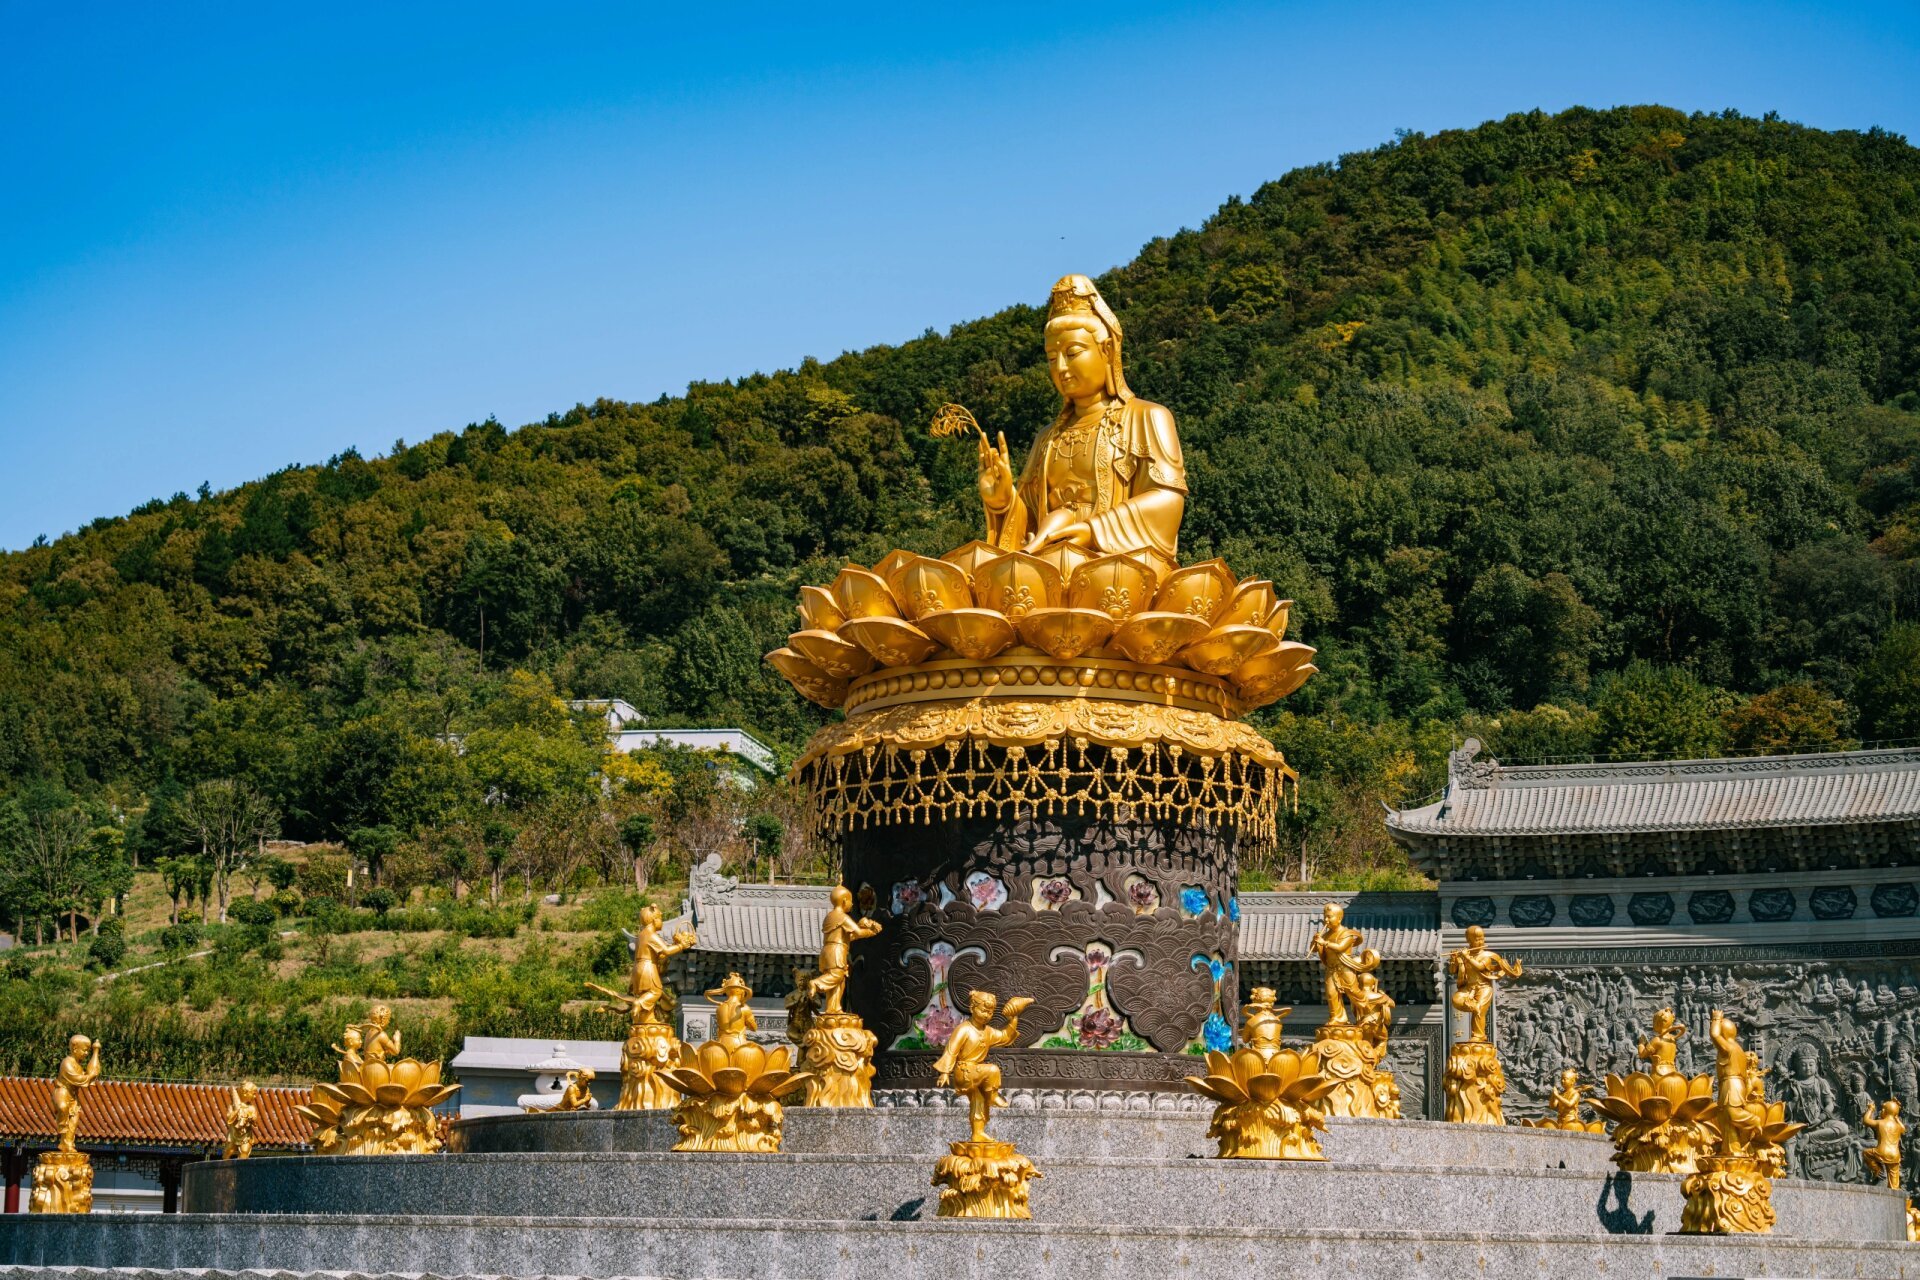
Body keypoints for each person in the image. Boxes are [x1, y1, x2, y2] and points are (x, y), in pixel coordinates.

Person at [975, 275, 1187, 559]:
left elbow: (1168, 504)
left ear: (1107, 351)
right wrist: (1003, 502)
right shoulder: (1047, 437)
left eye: (1073, 352)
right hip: (1048, 562)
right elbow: (1028, 530)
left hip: (1116, 566)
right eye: (1052, 358)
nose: (1061, 367)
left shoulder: (1147, 417)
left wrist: (1093, 531)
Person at [933, 990, 1032, 1143]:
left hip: (977, 1074)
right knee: (992, 1070)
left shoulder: (988, 1031)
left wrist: (1013, 1018)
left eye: (991, 1012)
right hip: (964, 1071)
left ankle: (977, 1133)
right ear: (972, 1008)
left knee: (978, 1101)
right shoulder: (964, 1029)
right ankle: (992, 1096)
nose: (987, 1015)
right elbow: (951, 1051)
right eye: (984, 1010)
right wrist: (945, 1072)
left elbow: (1005, 1037)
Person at [805, 886, 883, 1016]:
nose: (852, 904)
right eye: (851, 901)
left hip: (827, 951)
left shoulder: (829, 917)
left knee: (839, 982)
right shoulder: (842, 917)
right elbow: (858, 932)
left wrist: (867, 930)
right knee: (836, 976)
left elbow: (850, 936)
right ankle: (816, 984)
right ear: (844, 901)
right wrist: (872, 931)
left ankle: (833, 1009)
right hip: (836, 951)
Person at [1447, 925, 1522, 1044]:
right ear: (1469, 940)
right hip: (1469, 987)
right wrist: (1454, 959)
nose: (1481, 941)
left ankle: (1478, 1036)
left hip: (1483, 988)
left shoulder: (1486, 956)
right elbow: (1452, 971)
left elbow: (1480, 967)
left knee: (1479, 1010)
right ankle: (1475, 1008)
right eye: (1477, 939)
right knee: (1456, 1000)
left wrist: (1467, 957)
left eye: (1482, 938)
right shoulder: (1465, 955)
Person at [1309, 903, 1379, 1025]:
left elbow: (1340, 948)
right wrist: (1315, 942)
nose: (1326, 920)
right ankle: (1338, 1018)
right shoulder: (1325, 935)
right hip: (1331, 969)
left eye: (1329, 917)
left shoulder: (1348, 934)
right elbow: (1315, 949)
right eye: (1325, 916)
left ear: (1339, 918)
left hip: (1345, 968)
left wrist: (1324, 943)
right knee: (1331, 994)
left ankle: (1372, 1010)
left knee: (1354, 994)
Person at [51, 1034, 102, 1154]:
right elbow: (78, 1079)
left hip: (73, 1096)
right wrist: (90, 1076)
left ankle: (67, 1144)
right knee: (63, 1108)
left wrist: (96, 1052)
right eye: (84, 1050)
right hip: (62, 1092)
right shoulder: (67, 1062)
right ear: (74, 1048)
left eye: (88, 1051)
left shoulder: (79, 1065)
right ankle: (62, 1133)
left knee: (74, 1121)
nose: (86, 1053)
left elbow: (89, 1072)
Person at [1864, 1100, 1906, 1189]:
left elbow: (1866, 1121)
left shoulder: (1880, 1122)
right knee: (1894, 1184)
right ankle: (1895, 1195)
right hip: (1895, 1156)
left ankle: (1877, 1170)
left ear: (1885, 1111)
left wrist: (1870, 1109)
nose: (1881, 1111)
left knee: (1866, 1153)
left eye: (1883, 1109)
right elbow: (1904, 1129)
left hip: (1881, 1152)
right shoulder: (1898, 1126)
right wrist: (1896, 1117)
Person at [223, 1081, 259, 1159]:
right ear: (245, 1093)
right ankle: (224, 1166)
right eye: (253, 1093)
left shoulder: (251, 1108)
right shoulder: (232, 1106)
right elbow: (229, 1118)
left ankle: (241, 1169)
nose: (255, 1096)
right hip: (234, 1134)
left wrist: (252, 1119)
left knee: (245, 1152)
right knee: (229, 1151)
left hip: (246, 1135)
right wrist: (237, 1111)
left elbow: (255, 1122)